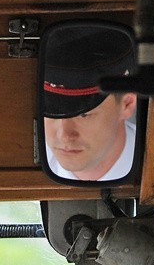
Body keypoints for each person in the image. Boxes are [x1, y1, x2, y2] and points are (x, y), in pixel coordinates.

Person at [43, 25, 137, 181]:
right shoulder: (21, 165)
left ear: (126, 104)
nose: (64, 135)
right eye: (51, 112)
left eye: (83, 114)